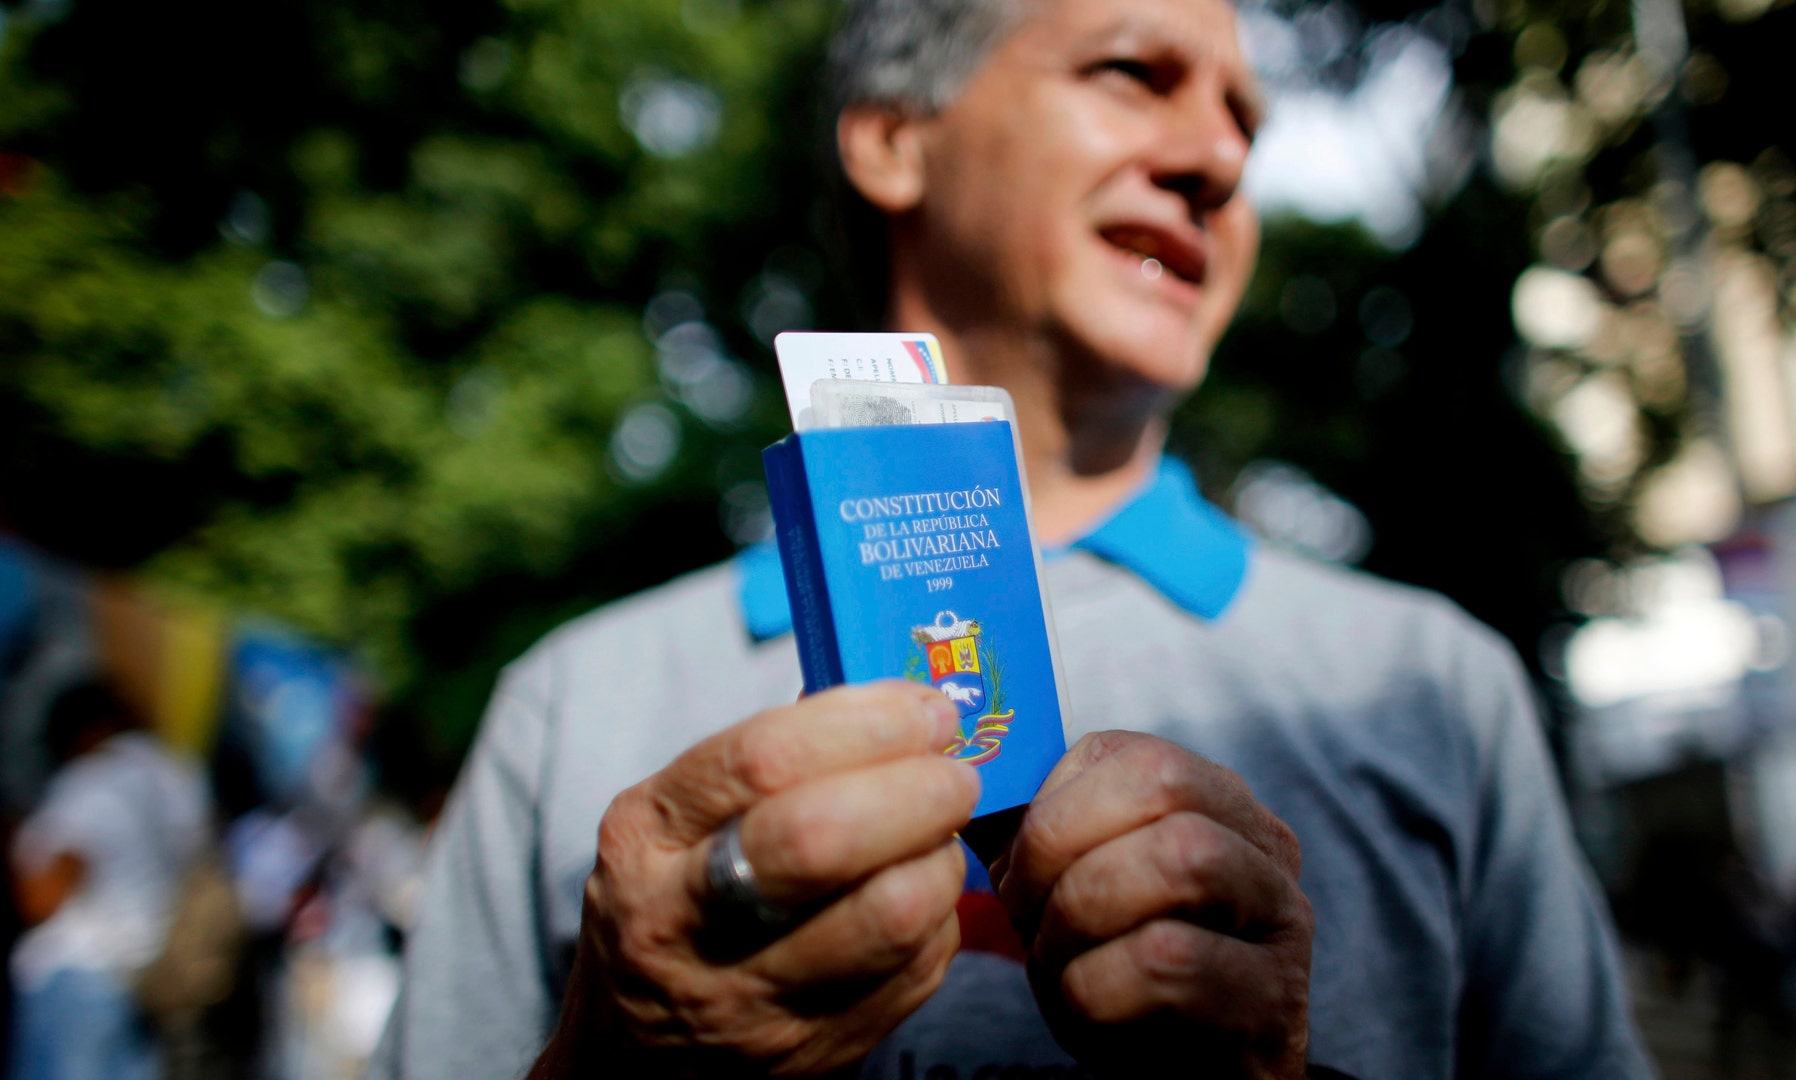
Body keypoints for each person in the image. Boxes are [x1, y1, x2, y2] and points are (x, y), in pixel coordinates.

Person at [372, 0, 1652, 1075]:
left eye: (1245, 121)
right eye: (1132, 72)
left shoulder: (1437, 684)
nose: (1216, 154)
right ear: (891, 140)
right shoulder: (570, 705)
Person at [7, 680, 212, 1080]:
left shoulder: (91, 783)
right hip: (142, 981)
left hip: (73, 980)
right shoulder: (179, 777)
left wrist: (19, 848)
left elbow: (44, 898)